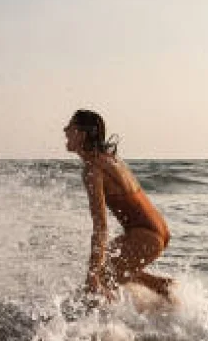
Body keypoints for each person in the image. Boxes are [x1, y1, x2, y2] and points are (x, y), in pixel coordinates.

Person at [64, 109, 173, 301]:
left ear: (81, 135)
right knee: (105, 266)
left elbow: (101, 226)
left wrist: (92, 277)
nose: (64, 130)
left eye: (70, 127)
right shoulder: (110, 159)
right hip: (156, 230)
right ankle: (161, 287)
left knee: (100, 280)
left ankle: (112, 329)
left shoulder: (93, 169)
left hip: (145, 235)